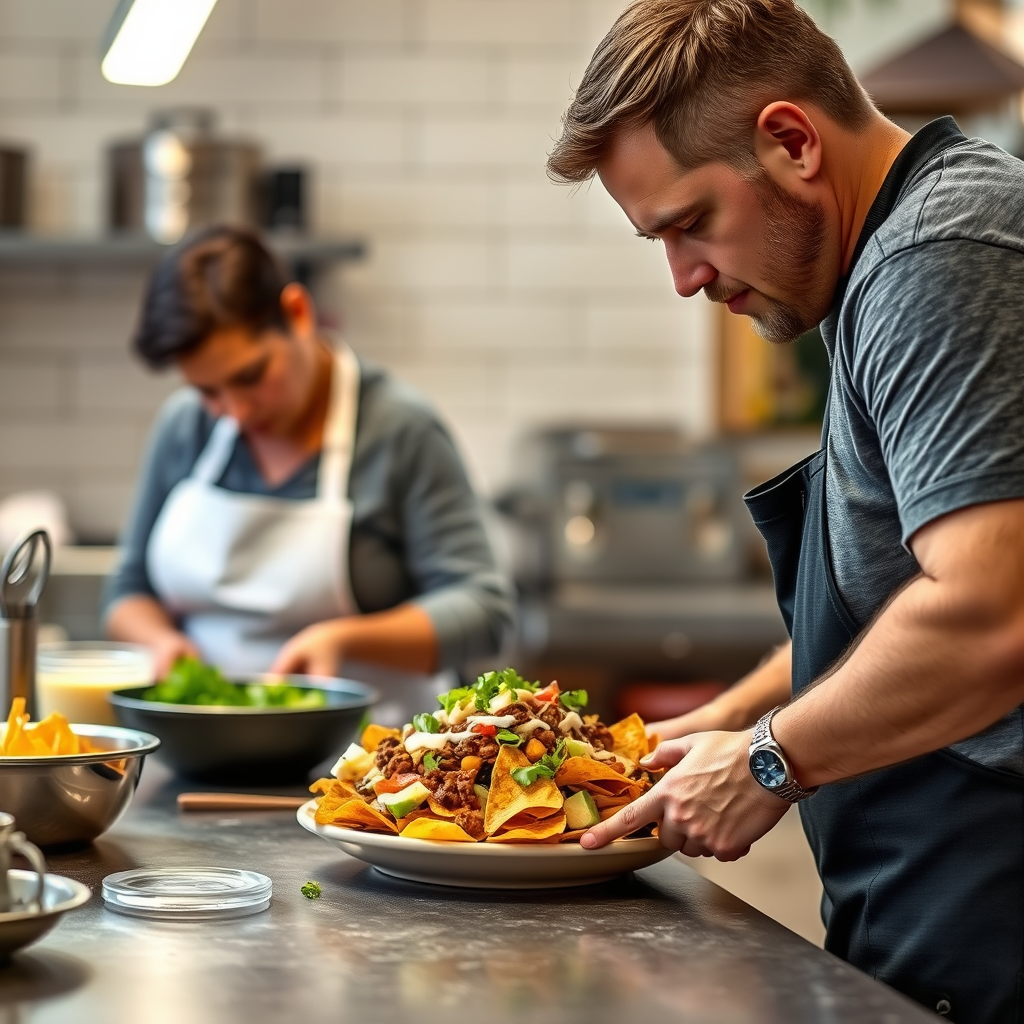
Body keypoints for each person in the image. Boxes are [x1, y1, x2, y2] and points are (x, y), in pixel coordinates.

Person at [547, 1, 1024, 1021]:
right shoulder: (893, 260)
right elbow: (889, 597)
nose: (683, 278)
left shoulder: (938, 257)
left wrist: (771, 759)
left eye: (690, 224)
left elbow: (990, 613)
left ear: (792, 142)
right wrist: (725, 720)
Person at [104, 225, 514, 721]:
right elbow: (128, 590)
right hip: (201, 755)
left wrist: (344, 640)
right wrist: (162, 641)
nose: (233, 410)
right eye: (208, 391)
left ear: (297, 313)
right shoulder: (183, 428)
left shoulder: (400, 431)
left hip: (375, 766)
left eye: (250, 376)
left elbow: (484, 610)